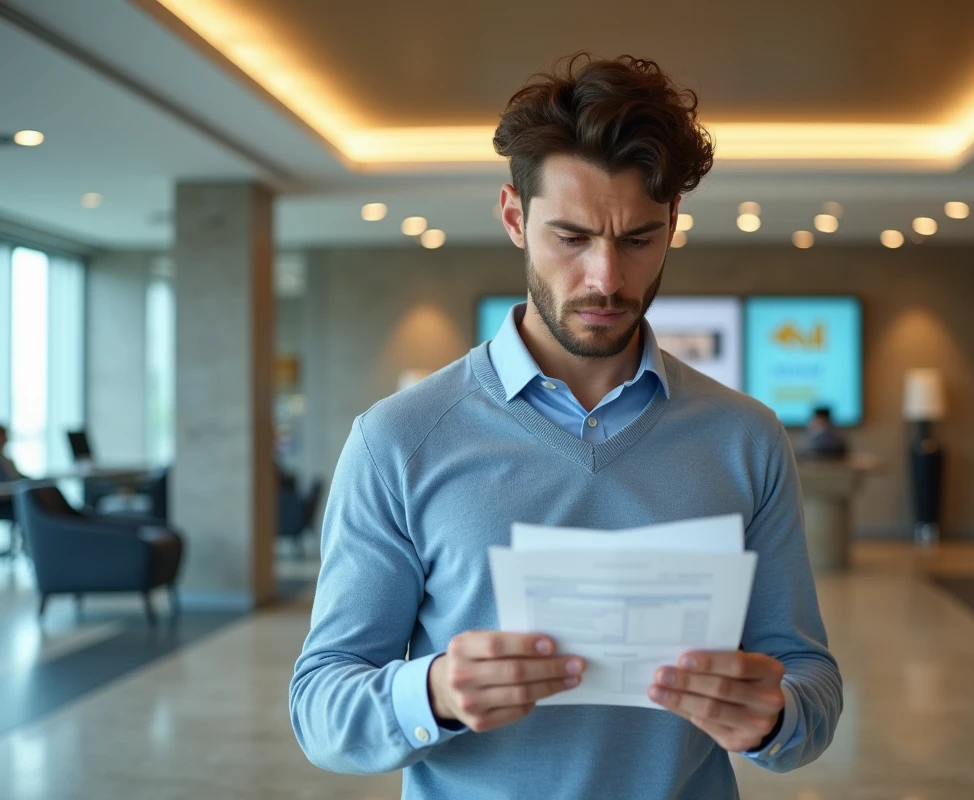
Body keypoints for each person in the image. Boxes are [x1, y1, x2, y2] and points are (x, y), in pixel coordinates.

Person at [290, 54, 842, 799]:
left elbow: (811, 683)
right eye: (572, 237)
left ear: (673, 223)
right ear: (516, 219)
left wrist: (778, 717)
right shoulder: (398, 441)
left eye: (639, 239)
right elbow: (320, 707)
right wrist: (437, 693)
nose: (606, 279)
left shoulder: (746, 439)